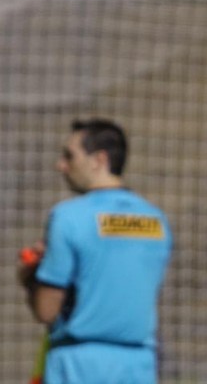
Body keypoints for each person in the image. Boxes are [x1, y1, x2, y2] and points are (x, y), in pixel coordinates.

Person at [17, 118, 173, 384]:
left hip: (78, 365)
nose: (61, 165)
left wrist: (29, 275)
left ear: (98, 159)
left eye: (69, 156)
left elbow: (46, 310)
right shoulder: (156, 221)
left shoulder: (68, 217)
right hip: (139, 364)